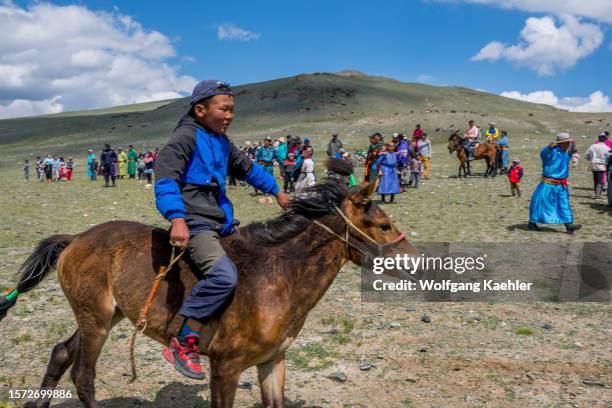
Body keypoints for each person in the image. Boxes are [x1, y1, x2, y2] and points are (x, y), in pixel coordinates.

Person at [154, 79, 289, 379]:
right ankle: (185, 341)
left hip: (222, 221)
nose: (229, 115)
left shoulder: (221, 141)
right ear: (200, 110)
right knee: (223, 275)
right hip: (195, 223)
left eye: (232, 110)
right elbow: (165, 180)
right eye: (223, 109)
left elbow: (248, 169)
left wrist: (277, 191)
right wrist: (177, 218)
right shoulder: (185, 138)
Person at [528, 133, 582, 234]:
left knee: (564, 204)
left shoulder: (565, 153)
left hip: (561, 185)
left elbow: (571, 153)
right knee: (539, 203)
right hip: (548, 183)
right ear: (562, 143)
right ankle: (532, 223)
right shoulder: (551, 152)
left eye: (569, 142)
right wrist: (548, 148)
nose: (568, 144)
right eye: (567, 142)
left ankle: (569, 225)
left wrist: (573, 144)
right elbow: (543, 154)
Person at [585, 134, 610, 199]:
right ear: (605, 140)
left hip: (594, 164)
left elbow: (587, 154)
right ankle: (598, 194)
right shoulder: (607, 148)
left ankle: (596, 193)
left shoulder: (593, 146)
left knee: (596, 179)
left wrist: (590, 159)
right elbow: (609, 156)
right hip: (603, 165)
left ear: (598, 139)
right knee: (601, 179)